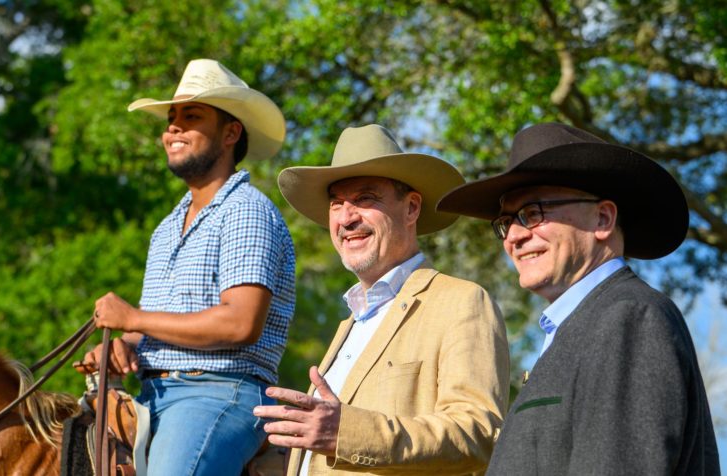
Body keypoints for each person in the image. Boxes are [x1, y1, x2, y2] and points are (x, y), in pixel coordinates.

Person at [436, 122, 721, 474]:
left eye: (532, 213)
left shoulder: (627, 318)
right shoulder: (580, 326)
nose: (513, 237)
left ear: (602, 218)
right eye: (506, 222)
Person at [79, 58, 297, 476]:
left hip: (218, 394)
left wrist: (132, 317)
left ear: (231, 133)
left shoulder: (246, 211)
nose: (172, 129)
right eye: (170, 119)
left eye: (191, 117)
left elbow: (240, 323)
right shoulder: (165, 229)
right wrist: (124, 346)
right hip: (152, 392)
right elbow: (151, 327)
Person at [254, 124, 510, 475]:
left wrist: (346, 431)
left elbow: (478, 435)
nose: (346, 217)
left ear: (411, 208)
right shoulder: (351, 322)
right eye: (336, 203)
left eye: (365, 199)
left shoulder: (461, 302)